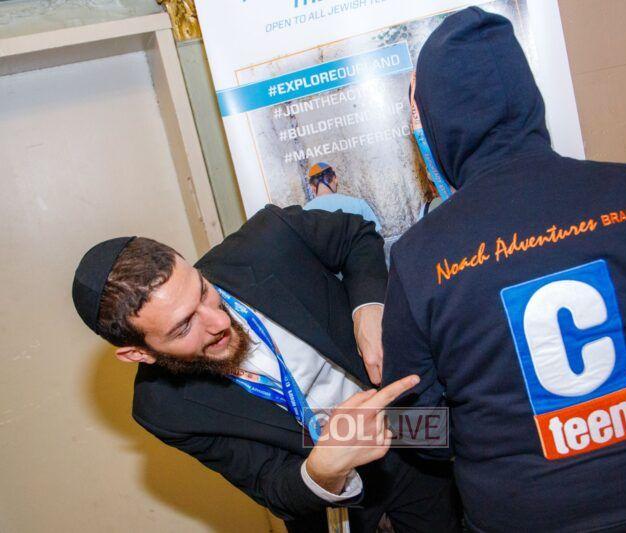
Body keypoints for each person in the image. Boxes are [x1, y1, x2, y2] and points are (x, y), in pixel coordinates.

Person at [382, 7, 626, 533]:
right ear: (528, 95)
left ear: (437, 122)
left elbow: (410, 423)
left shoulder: (417, 257)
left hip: (524, 514)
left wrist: (491, 431)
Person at [71, 205, 460, 533]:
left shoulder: (269, 239)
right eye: (184, 326)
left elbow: (356, 235)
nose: (218, 321)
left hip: (407, 424)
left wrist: (368, 307)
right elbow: (269, 484)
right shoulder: (163, 409)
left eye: (203, 290)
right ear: (140, 354)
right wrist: (322, 471)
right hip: (332, 504)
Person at [304, 162, 382, 232]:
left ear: (312, 188)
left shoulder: (304, 213)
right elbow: (376, 237)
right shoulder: (359, 204)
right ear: (335, 179)